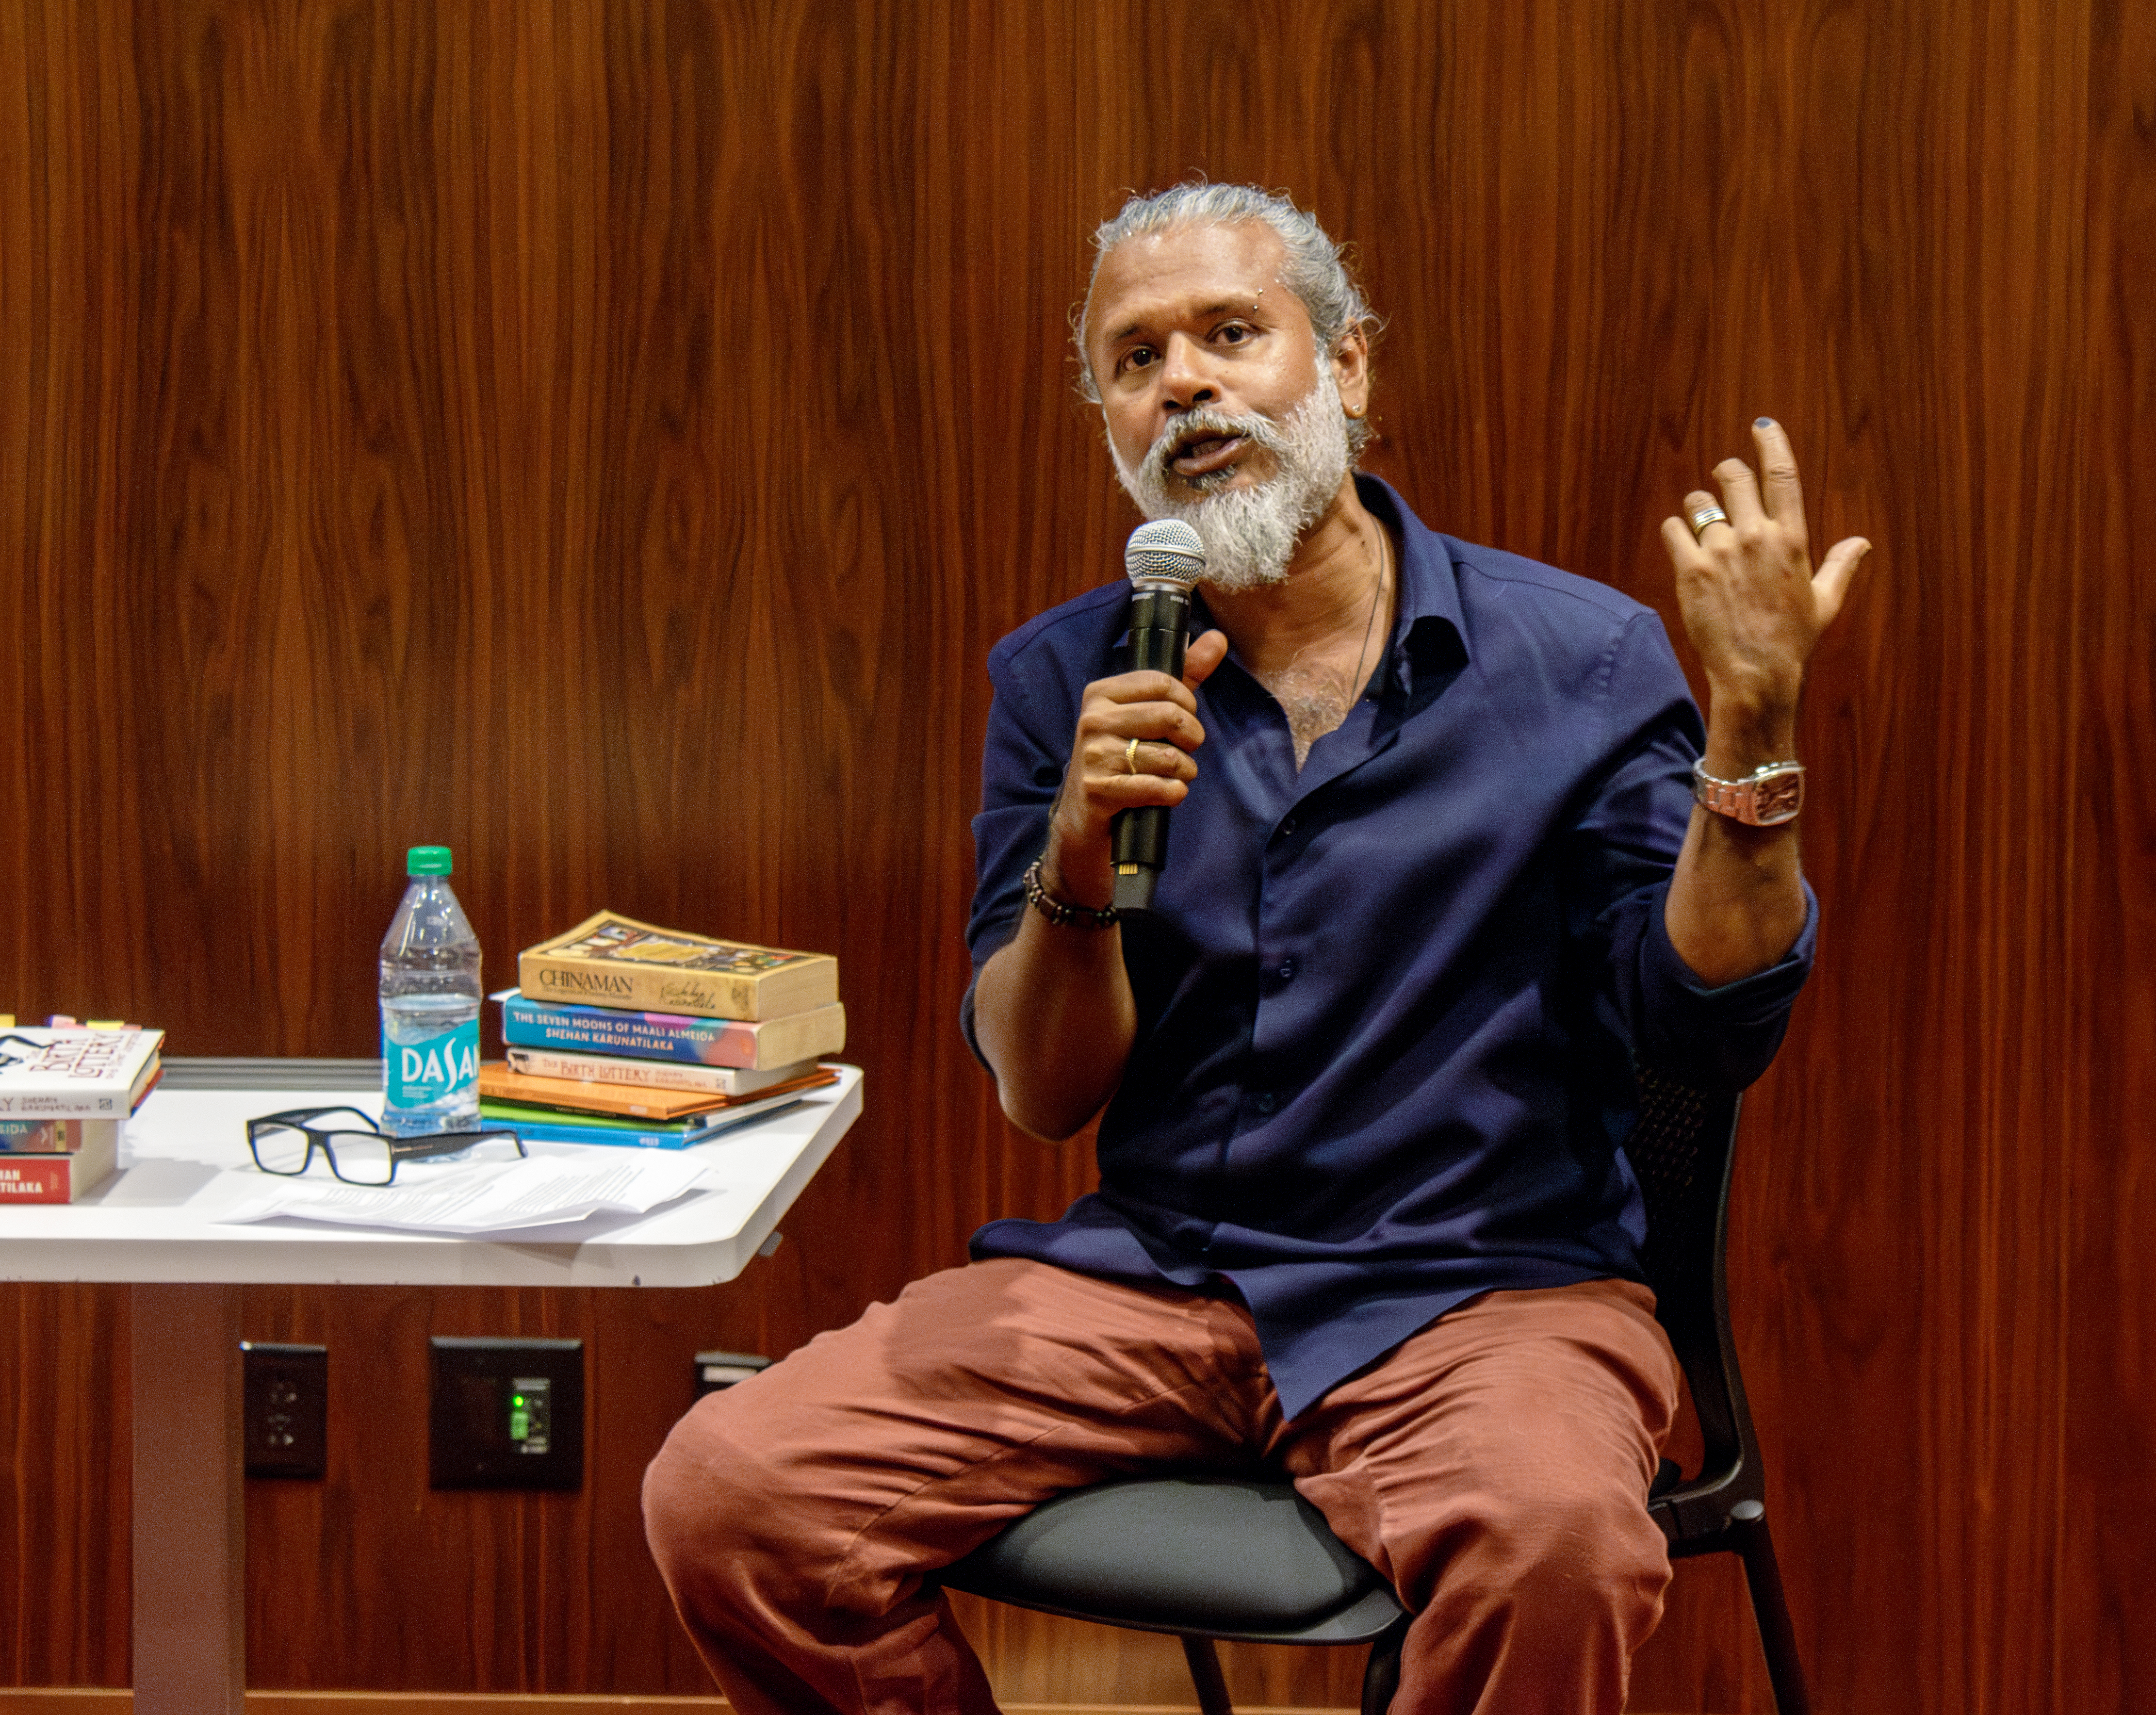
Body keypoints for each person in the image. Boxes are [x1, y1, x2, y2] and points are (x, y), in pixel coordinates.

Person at [643, 182, 1867, 1715]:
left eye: (1232, 334)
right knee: (737, 1488)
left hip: (1481, 1287)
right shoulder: (1065, 680)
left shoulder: (1581, 662)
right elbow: (1044, 1091)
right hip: (1153, 1280)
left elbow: (1701, 1024)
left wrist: (1751, 731)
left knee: (1551, 1539)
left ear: (1345, 366)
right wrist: (1077, 854)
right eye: (1135, 358)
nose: (1186, 386)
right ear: (1103, 412)